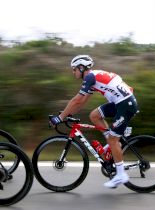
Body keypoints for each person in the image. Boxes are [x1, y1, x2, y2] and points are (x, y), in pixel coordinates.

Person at [49, 55, 139, 188]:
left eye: (74, 69)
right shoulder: (92, 78)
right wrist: (69, 114)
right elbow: (82, 103)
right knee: (95, 115)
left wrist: (60, 117)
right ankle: (111, 142)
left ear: (82, 67)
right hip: (120, 103)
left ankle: (121, 175)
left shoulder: (90, 77)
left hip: (125, 105)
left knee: (113, 140)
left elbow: (76, 100)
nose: (73, 72)